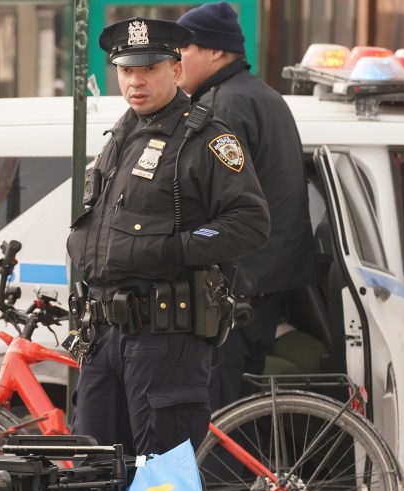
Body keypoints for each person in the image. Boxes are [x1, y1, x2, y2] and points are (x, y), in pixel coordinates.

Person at [66, 16, 270, 459]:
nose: (135, 81)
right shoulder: (120, 135)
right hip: (103, 334)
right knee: (91, 476)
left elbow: (250, 222)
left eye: (149, 69)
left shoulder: (205, 138)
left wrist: (173, 250)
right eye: (125, 70)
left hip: (164, 340)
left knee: (161, 482)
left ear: (175, 71)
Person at [176, 2, 320, 411]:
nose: (175, 61)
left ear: (217, 52)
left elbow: (212, 200)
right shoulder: (264, 96)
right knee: (240, 405)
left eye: (184, 49)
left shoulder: (224, 106)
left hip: (236, 281)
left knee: (217, 410)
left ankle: (220, 479)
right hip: (263, 283)